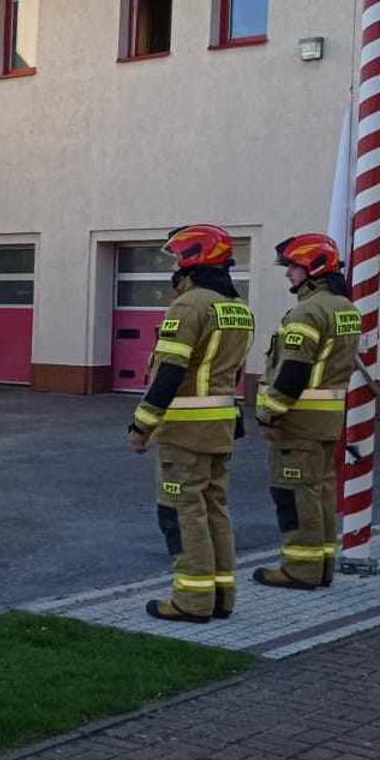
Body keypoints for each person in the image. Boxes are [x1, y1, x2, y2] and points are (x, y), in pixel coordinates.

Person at [128, 224, 254, 624]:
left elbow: (170, 371)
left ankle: (192, 600)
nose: (173, 268)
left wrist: (142, 425)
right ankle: (221, 595)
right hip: (219, 426)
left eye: (176, 259)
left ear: (190, 261)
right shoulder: (237, 308)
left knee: (183, 511)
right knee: (214, 507)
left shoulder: (188, 306)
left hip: (184, 429)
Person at [251, 234, 359, 590]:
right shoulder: (345, 308)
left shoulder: (308, 311)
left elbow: (294, 370)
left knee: (296, 495)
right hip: (327, 420)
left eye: (293, 268)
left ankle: (300, 568)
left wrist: (270, 411)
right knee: (321, 491)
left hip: (299, 421)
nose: (288, 276)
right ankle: (322, 563)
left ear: (311, 268)